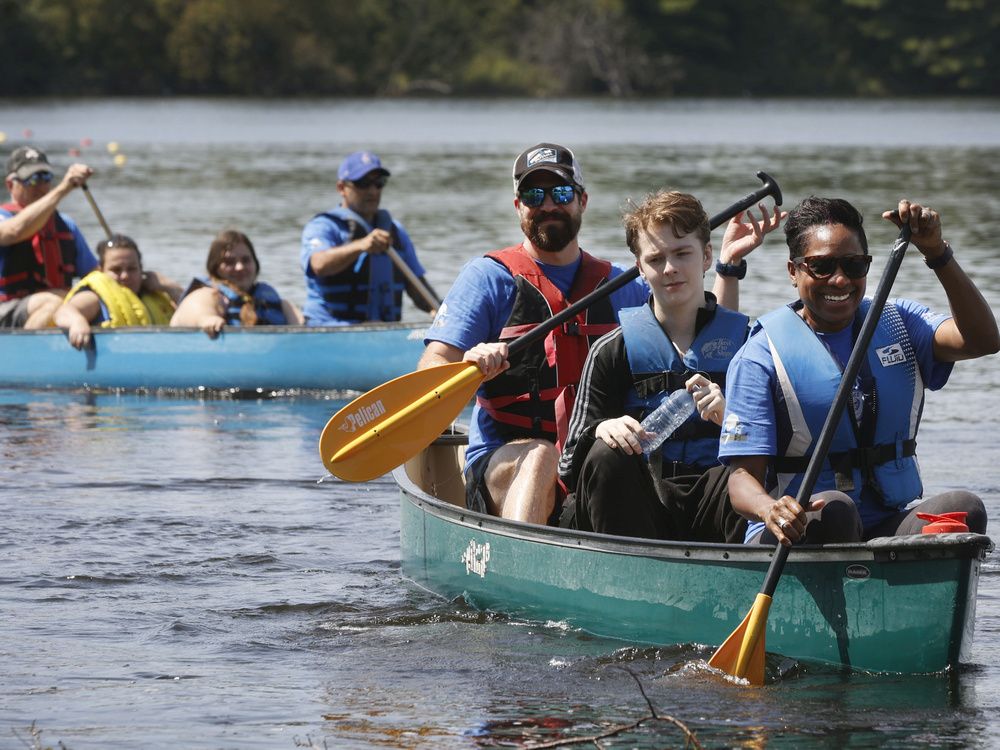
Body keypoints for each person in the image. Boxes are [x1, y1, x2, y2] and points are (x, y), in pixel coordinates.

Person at [418, 143, 770, 526]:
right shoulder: (487, 279)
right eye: (533, 195)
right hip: (507, 460)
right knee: (541, 456)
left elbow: (708, 338)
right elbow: (429, 381)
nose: (548, 204)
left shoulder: (621, 283)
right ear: (518, 206)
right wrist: (468, 368)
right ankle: (525, 560)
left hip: (594, 462)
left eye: (562, 193)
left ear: (582, 200)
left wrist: (728, 267)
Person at [720, 197, 999, 546]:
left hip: (882, 525)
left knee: (964, 509)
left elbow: (983, 340)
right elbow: (741, 479)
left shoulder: (898, 322)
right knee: (837, 509)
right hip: (799, 531)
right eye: (821, 266)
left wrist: (937, 254)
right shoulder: (759, 356)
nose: (839, 280)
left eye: (854, 266)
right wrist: (769, 509)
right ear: (793, 271)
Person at [558, 190, 783, 541]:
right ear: (640, 269)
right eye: (655, 259)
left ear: (707, 256)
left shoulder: (750, 345)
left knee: (748, 472)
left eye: (682, 254)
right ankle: (623, 573)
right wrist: (601, 430)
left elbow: (785, 450)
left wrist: (731, 418)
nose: (670, 268)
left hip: (717, 501)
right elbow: (569, 464)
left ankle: (744, 571)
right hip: (637, 506)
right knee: (606, 454)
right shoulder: (609, 350)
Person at [300, 150, 437, 325]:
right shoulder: (323, 226)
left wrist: (444, 313)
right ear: (341, 188)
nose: (372, 191)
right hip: (329, 330)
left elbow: (417, 287)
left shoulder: (395, 232)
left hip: (383, 333)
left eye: (379, 183)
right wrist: (361, 246)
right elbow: (318, 264)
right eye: (363, 183)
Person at [1, 146, 97, 328]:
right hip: (6, 309)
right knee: (53, 303)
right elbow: (14, 231)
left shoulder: (66, 225)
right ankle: (22, 354)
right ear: (10, 184)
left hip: (53, 305)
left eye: (45, 178)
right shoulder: (3, 219)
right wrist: (64, 188)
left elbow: (94, 275)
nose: (40, 185)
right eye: (32, 179)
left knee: (93, 299)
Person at [53, 234, 182, 349]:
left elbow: (189, 313)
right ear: (101, 270)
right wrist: (77, 322)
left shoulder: (156, 296)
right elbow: (63, 312)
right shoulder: (94, 297)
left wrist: (170, 287)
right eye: (116, 270)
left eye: (132, 269)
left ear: (141, 270)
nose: (125, 276)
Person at [171, 229, 304, 336]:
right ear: (214, 267)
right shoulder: (205, 296)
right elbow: (196, 312)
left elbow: (304, 329)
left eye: (246, 260)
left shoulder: (281, 304)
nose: (240, 267)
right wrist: (208, 320)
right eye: (229, 262)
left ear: (255, 264)